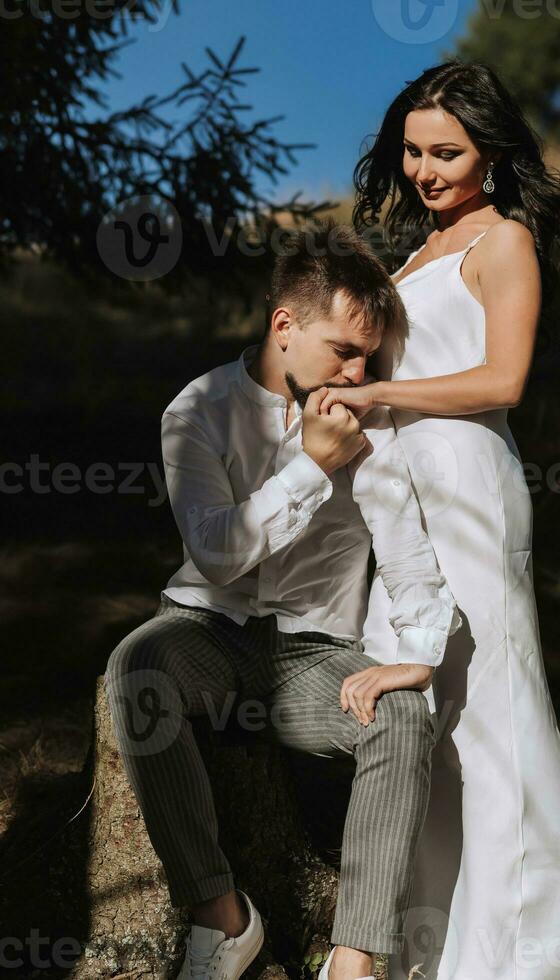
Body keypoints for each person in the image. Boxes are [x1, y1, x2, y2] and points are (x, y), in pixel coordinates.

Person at [104, 220, 461, 980]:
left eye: (369, 356)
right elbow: (219, 552)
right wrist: (309, 467)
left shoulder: (370, 421)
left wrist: (420, 657)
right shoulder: (197, 409)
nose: (356, 372)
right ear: (284, 325)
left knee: (401, 715)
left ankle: (354, 960)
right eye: (343, 351)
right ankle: (221, 917)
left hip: (312, 653)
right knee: (137, 669)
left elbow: (408, 559)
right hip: (204, 628)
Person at [317, 63, 560, 980]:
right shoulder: (413, 256)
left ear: (492, 152)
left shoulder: (504, 240)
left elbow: (502, 382)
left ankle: (537, 953)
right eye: (412, 150)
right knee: (426, 717)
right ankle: (438, 948)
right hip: (405, 491)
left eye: (447, 152)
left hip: (471, 482)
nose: (425, 170)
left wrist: (386, 396)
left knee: (493, 709)